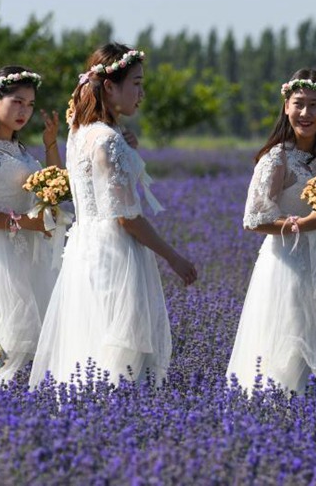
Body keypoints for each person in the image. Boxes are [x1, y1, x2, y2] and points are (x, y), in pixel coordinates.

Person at [29, 43, 197, 387]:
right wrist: (173, 257)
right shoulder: (107, 140)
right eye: (136, 83)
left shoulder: (79, 134)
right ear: (109, 86)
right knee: (121, 346)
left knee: (91, 338)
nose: (142, 93)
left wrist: (126, 144)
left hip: (85, 249)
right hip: (116, 251)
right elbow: (127, 218)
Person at [226, 69, 316, 393]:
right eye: (299, 104)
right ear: (286, 106)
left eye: (315, 105)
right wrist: (304, 225)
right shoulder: (277, 158)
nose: (306, 113)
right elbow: (254, 219)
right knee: (289, 339)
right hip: (286, 263)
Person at [0, 66, 64, 382]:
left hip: (33, 252)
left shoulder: (20, 149)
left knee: (41, 343)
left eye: (31, 104)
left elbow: (57, 187)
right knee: (6, 338)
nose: (25, 111)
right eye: (18, 102)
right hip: (0, 254)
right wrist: (25, 223)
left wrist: (51, 145)